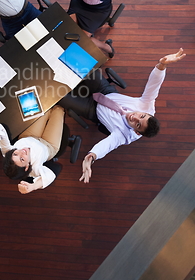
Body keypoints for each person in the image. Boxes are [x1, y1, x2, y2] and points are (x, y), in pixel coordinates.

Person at [57, 48, 186, 184]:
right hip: (105, 92)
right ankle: (58, 46)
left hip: (93, 109)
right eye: (141, 116)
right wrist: (162, 65)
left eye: (137, 124)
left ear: (136, 131)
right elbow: (154, 85)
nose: (135, 117)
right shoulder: (147, 106)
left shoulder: (124, 136)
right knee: (83, 63)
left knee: (58, 96)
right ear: (146, 113)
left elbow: (106, 145)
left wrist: (91, 156)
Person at [0, 106, 80, 194]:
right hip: (49, 145)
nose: (21, 152)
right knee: (58, 110)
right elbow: (50, 176)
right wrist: (33, 186)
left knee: (44, 107)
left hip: (29, 136)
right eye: (22, 159)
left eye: (15, 154)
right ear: (27, 166)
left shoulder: (7, 152)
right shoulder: (34, 170)